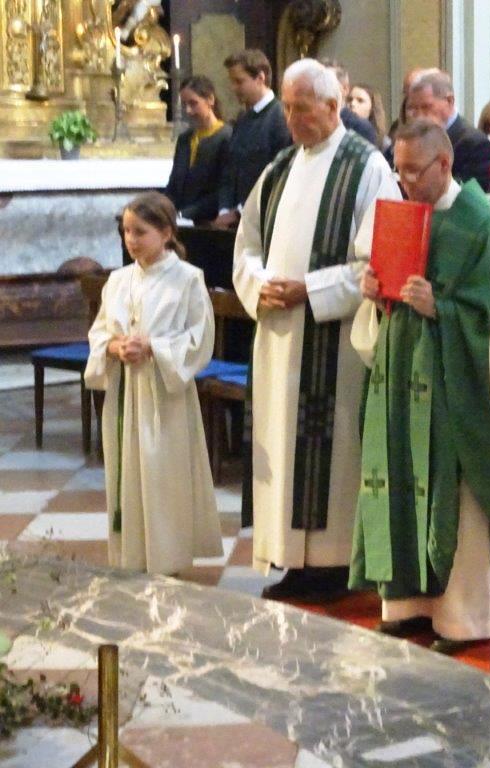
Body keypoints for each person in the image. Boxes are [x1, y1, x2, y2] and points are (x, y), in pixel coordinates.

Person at [232, 58, 401, 602]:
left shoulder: (367, 167)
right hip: (279, 333)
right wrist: (259, 284)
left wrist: (310, 289)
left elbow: (378, 263)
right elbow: (246, 244)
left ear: (333, 106)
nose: (291, 119)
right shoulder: (279, 167)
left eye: (301, 108)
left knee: (331, 451)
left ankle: (331, 565)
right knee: (282, 444)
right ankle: (290, 559)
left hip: (334, 341)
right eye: (286, 108)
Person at [349, 120, 490, 654]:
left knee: (452, 497)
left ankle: (464, 618)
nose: (405, 182)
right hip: (398, 373)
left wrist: (441, 307)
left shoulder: (480, 223)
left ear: (444, 164)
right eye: (399, 171)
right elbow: (387, 295)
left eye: (414, 171)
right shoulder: (400, 215)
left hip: (449, 385)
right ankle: (407, 605)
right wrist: (375, 291)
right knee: (397, 477)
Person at [85, 192, 222, 575]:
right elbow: (98, 331)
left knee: (163, 477)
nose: (130, 240)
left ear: (166, 233)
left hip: (165, 396)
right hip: (125, 391)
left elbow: (200, 339)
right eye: (126, 231)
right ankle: (131, 559)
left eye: (140, 232)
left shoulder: (187, 279)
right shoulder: (117, 280)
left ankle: (167, 560)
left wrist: (153, 347)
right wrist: (113, 346)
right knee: (127, 474)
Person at [214, 49, 292, 229]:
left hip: (264, 218)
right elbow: (230, 168)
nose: (234, 88)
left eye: (239, 81)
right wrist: (224, 209)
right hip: (235, 222)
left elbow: (278, 173)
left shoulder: (280, 117)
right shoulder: (243, 118)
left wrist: (239, 211)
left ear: (260, 78)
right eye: (232, 82)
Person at [406, 70, 490, 190]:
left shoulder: (475, 144)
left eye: (426, 107)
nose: (419, 115)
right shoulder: (413, 140)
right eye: (414, 109)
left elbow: (469, 193)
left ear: (449, 101)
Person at [165, 76, 232, 224]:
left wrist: (185, 214)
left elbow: (222, 190)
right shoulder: (185, 139)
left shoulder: (227, 137)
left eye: (193, 103)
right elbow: (174, 184)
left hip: (208, 222)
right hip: (179, 219)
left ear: (210, 100)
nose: (188, 111)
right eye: (185, 104)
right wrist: (163, 210)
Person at [321, 60, 379, 146]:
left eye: (327, 84)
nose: (320, 90)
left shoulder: (360, 128)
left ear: (345, 89)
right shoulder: (310, 122)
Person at [349, 82, 390, 151]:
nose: (352, 104)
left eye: (360, 101)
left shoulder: (384, 144)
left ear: (372, 108)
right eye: (349, 100)